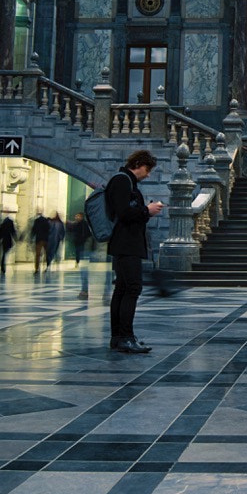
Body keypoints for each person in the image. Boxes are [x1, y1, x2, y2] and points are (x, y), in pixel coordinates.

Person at [105, 150, 165, 354]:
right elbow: (123, 213)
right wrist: (146, 210)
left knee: (122, 289)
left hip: (126, 244)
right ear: (138, 164)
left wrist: (145, 212)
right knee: (131, 288)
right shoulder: (122, 181)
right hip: (126, 244)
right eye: (147, 169)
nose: (148, 174)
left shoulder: (126, 181)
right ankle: (125, 337)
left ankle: (119, 337)